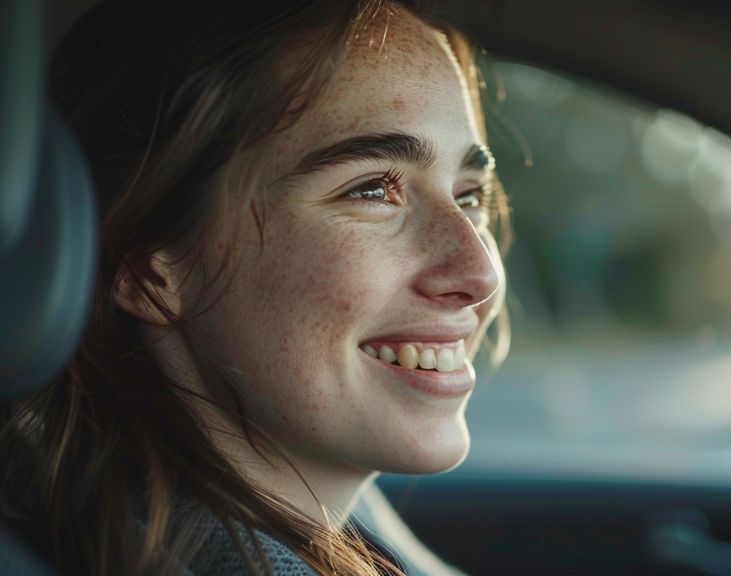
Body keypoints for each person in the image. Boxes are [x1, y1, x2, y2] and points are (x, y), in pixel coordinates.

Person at [0, 0, 511, 574]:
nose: (480, 274)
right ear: (148, 270)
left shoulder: (344, 523)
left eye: (470, 197)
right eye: (372, 190)